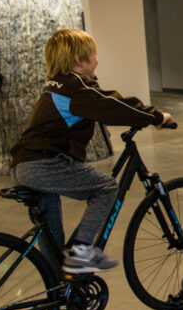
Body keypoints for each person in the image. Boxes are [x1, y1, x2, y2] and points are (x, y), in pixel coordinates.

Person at [10, 28, 173, 274]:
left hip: (25, 164)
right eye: (93, 54)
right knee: (106, 188)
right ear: (79, 60)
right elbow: (113, 105)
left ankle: (57, 286)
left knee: (53, 241)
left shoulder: (55, 85)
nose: (97, 59)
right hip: (45, 164)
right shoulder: (75, 87)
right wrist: (156, 116)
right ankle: (81, 254)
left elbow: (102, 106)